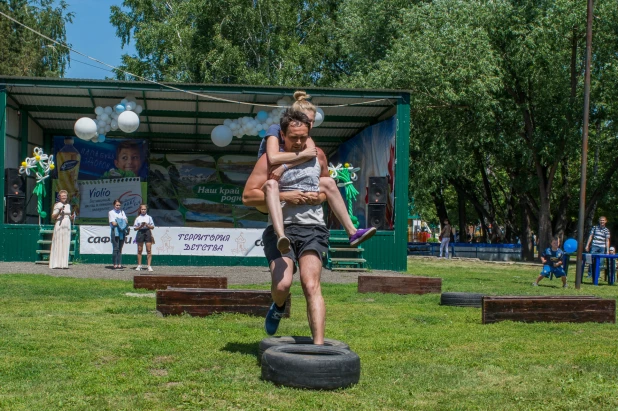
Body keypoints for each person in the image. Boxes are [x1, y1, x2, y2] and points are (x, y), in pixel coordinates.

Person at [243, 108, 330, 344]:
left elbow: (325, 190)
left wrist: (318, 197)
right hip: (281, 229)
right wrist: (286, 196)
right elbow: (248, 197)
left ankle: (319, 347)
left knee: (311, 284)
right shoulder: (269, 161)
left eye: (303, 136)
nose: (299, 142)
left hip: (313, 227)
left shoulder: (318, 155)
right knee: (282, 284)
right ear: (283, 135)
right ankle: (279, 305)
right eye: (294, 138)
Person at [257, 91, 375, 253]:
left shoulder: (306, 136)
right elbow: (273, 157)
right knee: (272, 185)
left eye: (312, 122)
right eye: (308, 120)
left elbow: (310, 154)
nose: (311, 125)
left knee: (327, 182)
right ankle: (280, 235)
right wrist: (293, 160)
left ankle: (352, 231)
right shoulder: (276, 129)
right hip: (270, 187)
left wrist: (286, 167)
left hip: (292, 181)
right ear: (294, 118)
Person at [49, 190, 74, 269]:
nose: (64, 197)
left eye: (65, 196)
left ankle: (64, 263)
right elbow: (53, 216)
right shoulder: (57, 205)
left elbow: (68, 215)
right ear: (59, 197)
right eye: (62, 196)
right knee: (59, 242)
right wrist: (59, 211)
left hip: (67, 224)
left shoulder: (68, 205)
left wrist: (71, 217)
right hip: (60, 223)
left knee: (65, 242)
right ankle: (56, 263)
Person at [133, 204, 155, 271]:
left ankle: (149, 265)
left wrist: (147, 225)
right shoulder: (138, 218)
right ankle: (139, 265)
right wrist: (140, 226)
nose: (143, 211)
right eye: (142, 209)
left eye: (144, 209)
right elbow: (134, 228)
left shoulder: (149, 217)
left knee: (149, 250)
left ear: (146, 210)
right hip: (140, 232)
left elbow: (153, 227)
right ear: (140, 210)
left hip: (147, 232)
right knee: (139, 250)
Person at [109, 199, 128, 269]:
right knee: (115, 248)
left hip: (122, 231)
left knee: (120, 248)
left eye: (119, 205)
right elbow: (113, 223)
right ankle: (114, 263)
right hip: (115, 231)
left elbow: (126, 221)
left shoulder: (122, 212)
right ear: (114, 205)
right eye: (117, 205)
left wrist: (119, 221)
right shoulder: (111, 212)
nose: (118, 206)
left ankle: (119, 263)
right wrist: (121, 222)